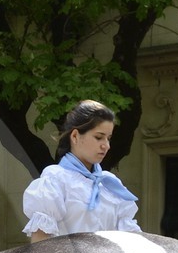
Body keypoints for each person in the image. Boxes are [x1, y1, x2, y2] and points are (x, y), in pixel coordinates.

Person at [21, 100, 142, 240]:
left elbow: (131, 240)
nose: (106, 146)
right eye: (99, 137)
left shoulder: (110, 184)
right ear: (75, 136)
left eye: (108, 138)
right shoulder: (56, 179)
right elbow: (40, 245)